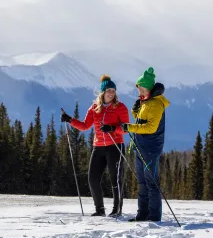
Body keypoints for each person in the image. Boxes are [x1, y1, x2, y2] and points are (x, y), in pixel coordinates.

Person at [61, 74, 130, 217]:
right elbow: (85, 126)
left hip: (115, 146)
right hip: (98, 147)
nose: (111, 93)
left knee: (115, 179)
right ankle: (99, 209)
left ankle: (117, 209)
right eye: (109, 91)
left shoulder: (120, 107)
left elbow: (126, 127)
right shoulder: (94, 108)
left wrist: (112, 128)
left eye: (113, 91)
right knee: (93, 178)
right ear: (103, 92)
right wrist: (69, 120)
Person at [121, 67, 170, 222]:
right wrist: (135, 112)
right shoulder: (146, 101)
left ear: (148, 88)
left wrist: (129, 127)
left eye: (141, 88)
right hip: (141, 146)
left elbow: (150, 128)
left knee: (151, 182)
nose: (139, 91)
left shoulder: (156, 104)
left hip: (150, 148)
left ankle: (154, 216)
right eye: (138, 88)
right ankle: (142, 214)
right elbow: (142, 121)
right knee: (142, 182)